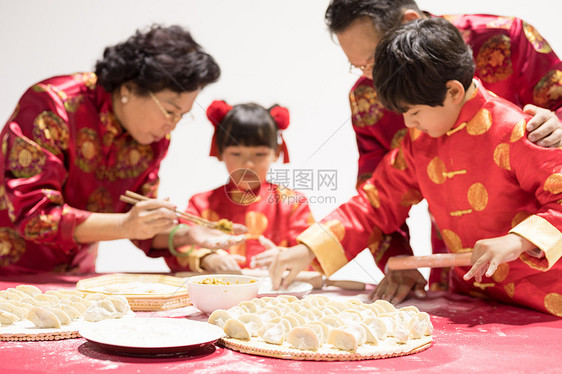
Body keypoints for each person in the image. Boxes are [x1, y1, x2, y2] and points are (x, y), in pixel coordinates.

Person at [270, 17, 562, 317]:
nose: (408, 123)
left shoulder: (518, 130)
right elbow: (375, 202)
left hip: (544, 301)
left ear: (453, 92)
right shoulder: (419, 142)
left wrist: (519, 240)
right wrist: (308, 249)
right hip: (473, 300)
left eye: (414, 112)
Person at [0, 24, 244, 275]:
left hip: (75, 274)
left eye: (182, 115)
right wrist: (128, 225)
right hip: (9, 268)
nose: (172, 124)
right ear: (128, 88)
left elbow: (140, 222)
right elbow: (35, 216)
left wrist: (188, 233)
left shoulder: (152, 138)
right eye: (170, 111)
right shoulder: (53, 105)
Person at [165, 101, 314, 273]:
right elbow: (177, 247)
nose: (248, 164)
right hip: (216, 297)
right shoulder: (201, 204)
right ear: (220, 152)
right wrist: (207, 258)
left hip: (277, 298)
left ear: (276, 153)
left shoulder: (294, 203)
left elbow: (314, 253)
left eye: (259, 154)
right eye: (236, 154)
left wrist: (287, 257)